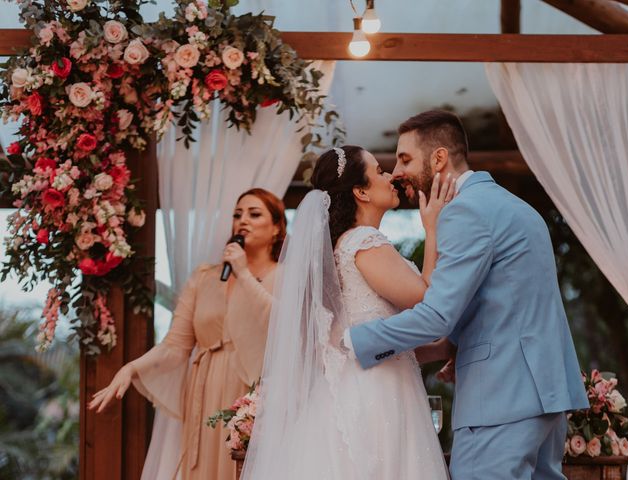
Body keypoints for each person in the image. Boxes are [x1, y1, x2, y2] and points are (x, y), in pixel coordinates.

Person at [346, 110, 589, 479]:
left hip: (499, 403)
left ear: (439, 158)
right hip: (546, 400)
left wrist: (354, 342)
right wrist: (456, 346)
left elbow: (436, 316)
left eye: (405, 158)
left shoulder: (465, 213)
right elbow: (506, 304)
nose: (396, 172)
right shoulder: (518, 209)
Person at [241, 146, 453, 480]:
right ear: (361, 191)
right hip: (376, 397)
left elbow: (370, 340)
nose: (389, 177)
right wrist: (433, 227)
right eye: (379, 171)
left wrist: (444, 348)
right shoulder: (364, 241)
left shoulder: (345, 247)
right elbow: (427, 298)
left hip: (370, 384)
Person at [88, 188, 286, 480]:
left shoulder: (286, 276)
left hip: (253, 395)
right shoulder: (205, 277)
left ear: (277, 228)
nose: (242, 221)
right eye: (237, 214)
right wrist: (131, 369)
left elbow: (284, 326)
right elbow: (175, 346)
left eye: (254, 214)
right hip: (204, 393)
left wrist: (243, 274)